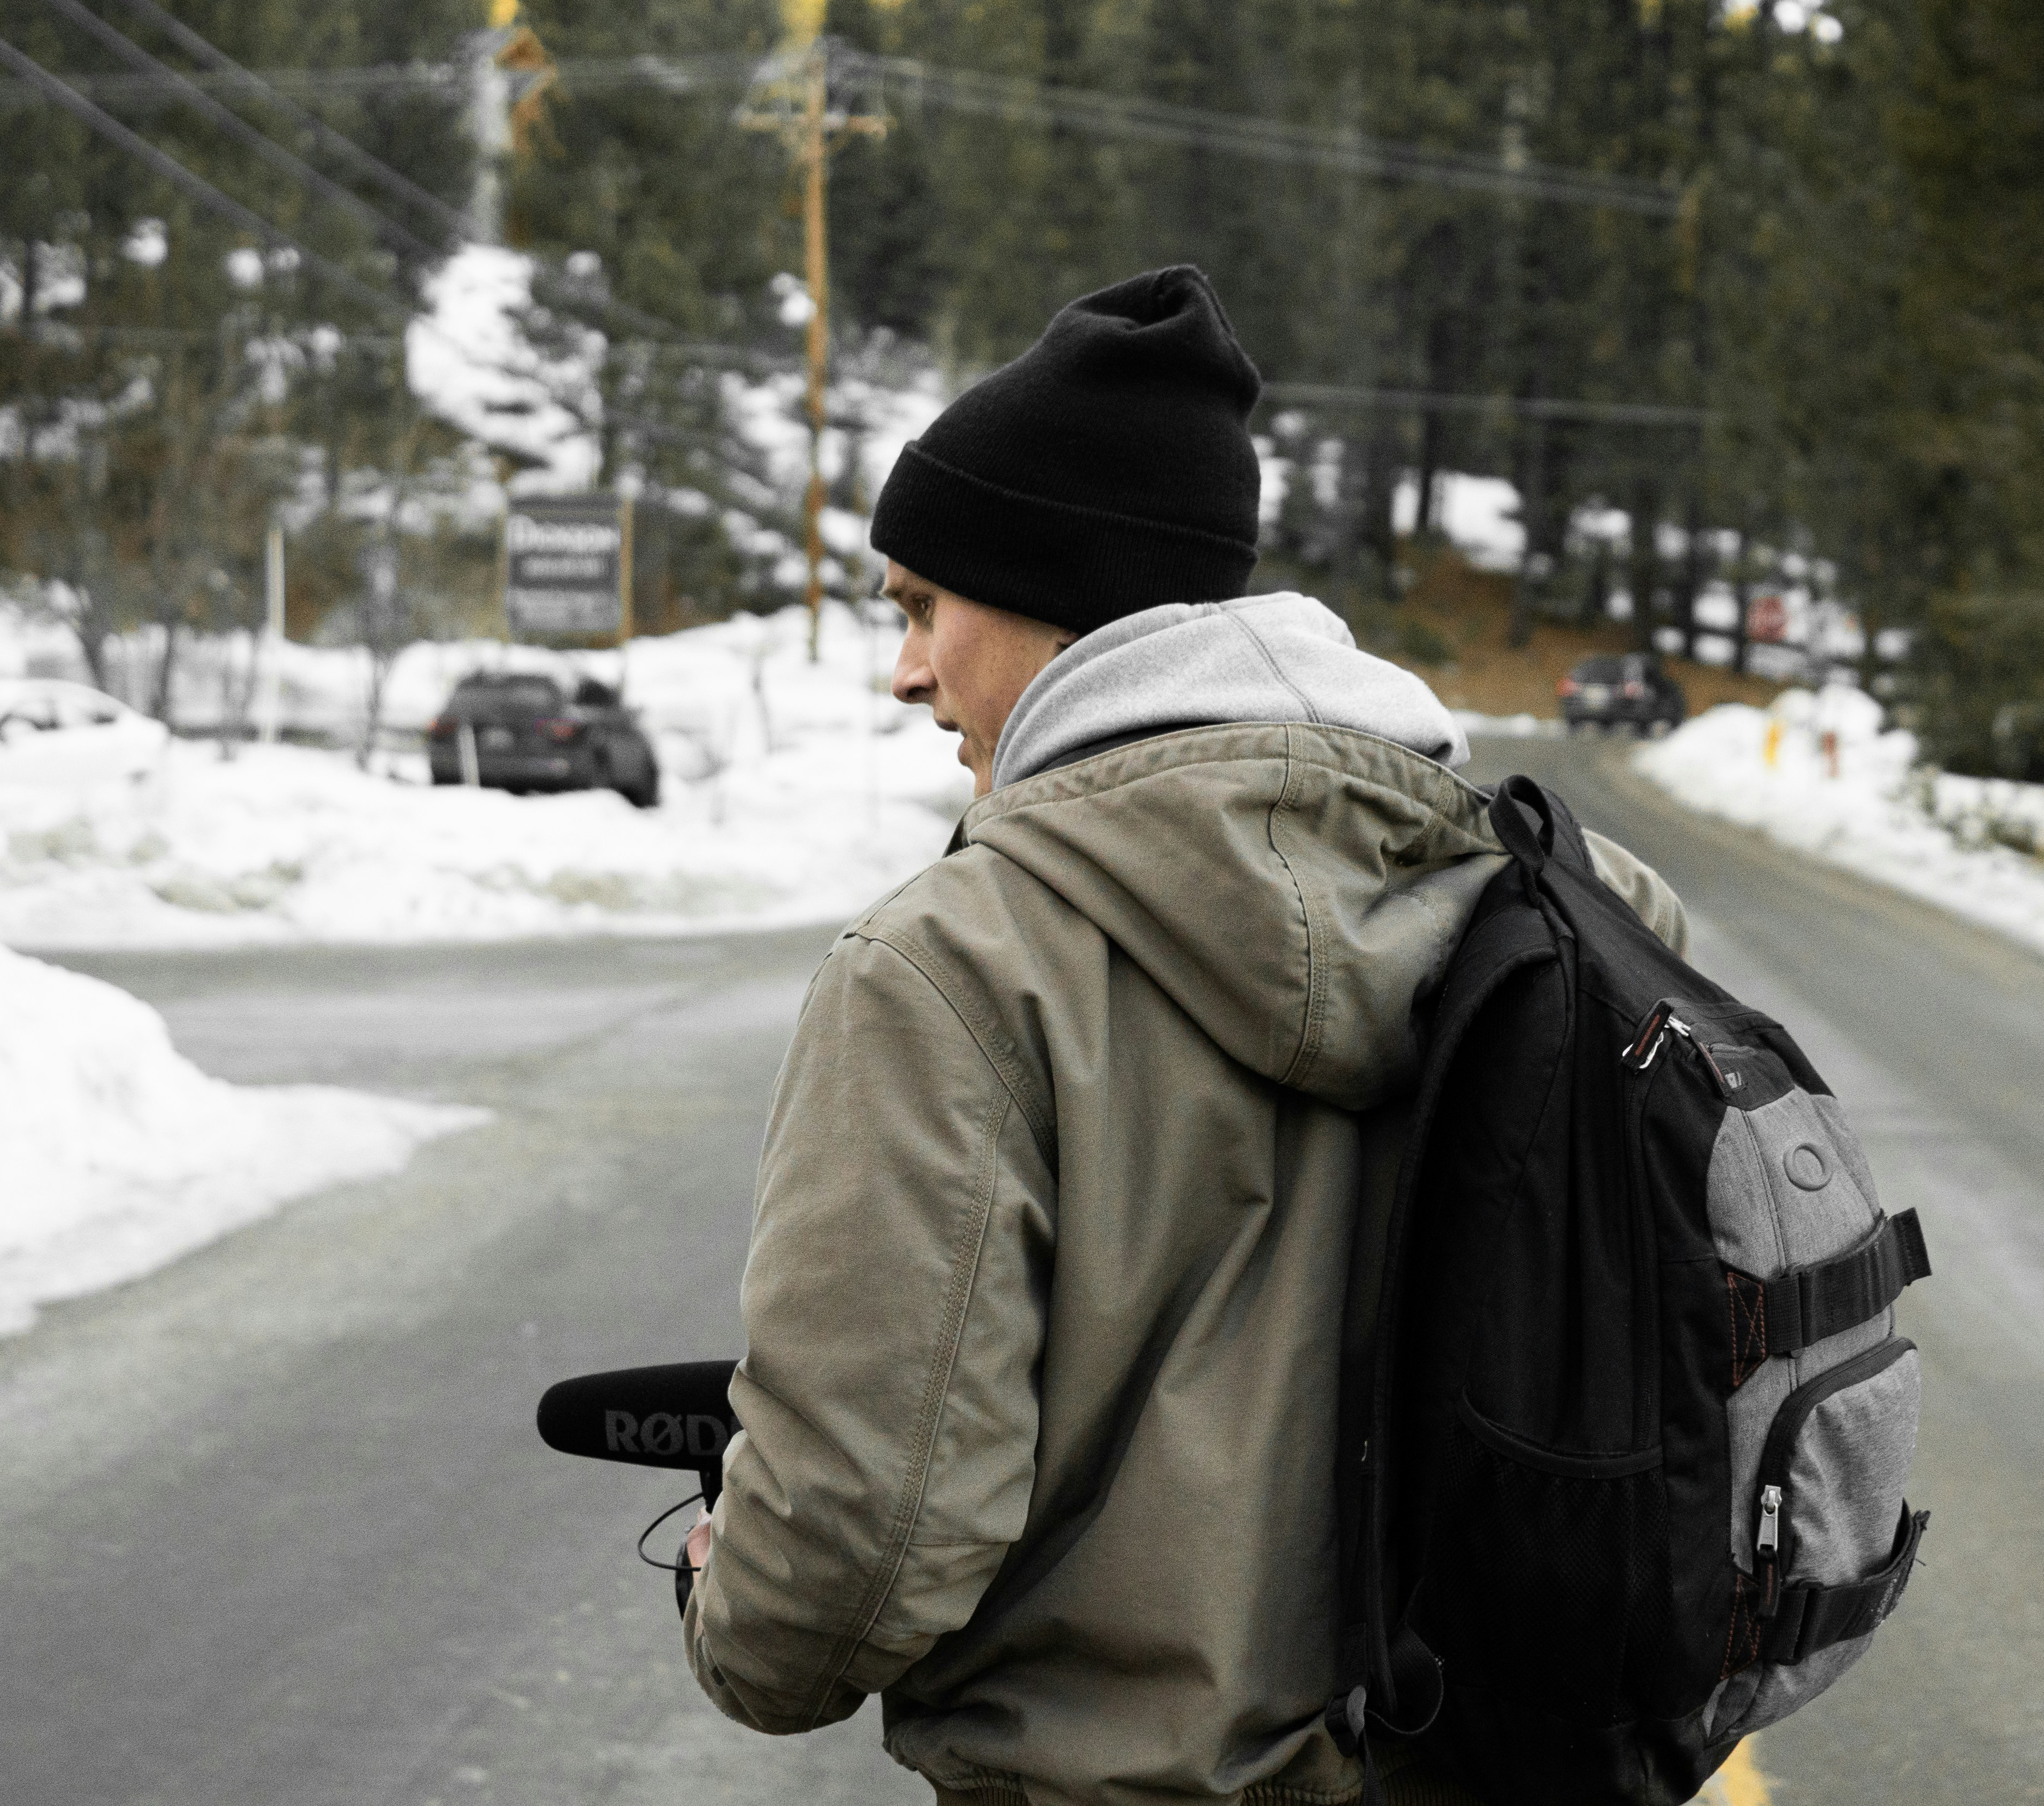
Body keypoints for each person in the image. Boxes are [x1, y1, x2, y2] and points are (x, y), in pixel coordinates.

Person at [678, 265, 1689, 1806]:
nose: (905, 672)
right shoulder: (1573, 903)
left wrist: (727, 1596)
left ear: (1049, 592)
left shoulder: (946, 971)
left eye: (923, 607)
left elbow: (854, 1560)